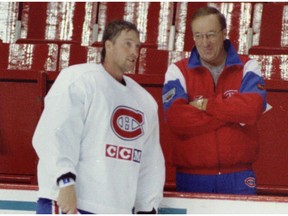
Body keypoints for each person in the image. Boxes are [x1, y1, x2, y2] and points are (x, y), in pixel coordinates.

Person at [33, 20, 165, 214]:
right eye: (127, 44)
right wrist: (64, 180)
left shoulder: (144, 101)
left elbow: (149, 160)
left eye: (137, 46)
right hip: (71, 202)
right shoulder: (80, 79)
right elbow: (55, 132)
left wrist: (146, 207)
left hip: (116, 208)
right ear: (108, 45)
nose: (134, 52)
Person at [162, 6, 267, 195]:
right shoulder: (178, 70)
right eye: (198, 36)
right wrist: (231, 113)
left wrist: (203, 105)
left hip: (238, 175)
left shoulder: (247, 66)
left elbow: (252, 109)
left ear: (224, 33)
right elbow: (176, 118)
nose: (205, 43)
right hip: (192, 176)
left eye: (211, 35)